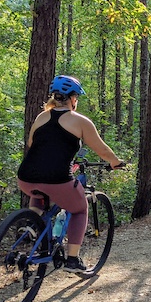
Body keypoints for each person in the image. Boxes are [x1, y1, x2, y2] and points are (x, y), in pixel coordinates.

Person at [17, 75, 124, 273]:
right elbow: (102, 150)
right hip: (57, 180)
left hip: (25, 177)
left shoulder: (41, 117)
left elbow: (33, 145)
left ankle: (32, 223)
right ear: (72, 98)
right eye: (77, 98)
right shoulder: (80, 122)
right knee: (80, 209)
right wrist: (115, 162)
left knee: (39, 192)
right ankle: (72, 260)